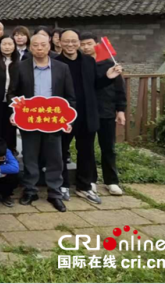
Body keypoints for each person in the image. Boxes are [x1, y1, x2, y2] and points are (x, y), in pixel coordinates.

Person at [8, 33, 76, 212]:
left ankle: (55, 192)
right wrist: (15, 111)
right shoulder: (20, 67)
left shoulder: (62, 68)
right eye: (35, 45)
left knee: (55, 157)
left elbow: (70, 97)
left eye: (43, 45)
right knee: (30, 156)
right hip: (30, 120)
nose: (39, 48)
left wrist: (68, 119)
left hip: (53, 120)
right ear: (30, 47)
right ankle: (30, 190)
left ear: (49, 46)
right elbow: (12, 93)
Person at [55, 29, 123, 205]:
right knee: (61, 150)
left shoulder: (88, 61)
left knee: (86, 151)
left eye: (74, 41)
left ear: (78, 42)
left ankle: (84, 186)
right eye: (66, 41)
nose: (70, 44)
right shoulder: (55, 62)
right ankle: (62, 185)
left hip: (86, 113)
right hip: (63, 115)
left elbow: (95, 84)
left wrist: (108, 77)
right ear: (59, 43)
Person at [80, 33, 127, 196]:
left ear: (96, 44)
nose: (86, 47)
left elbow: (120, 89)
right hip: (87, 112)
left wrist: (121, 110)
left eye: (89, 43)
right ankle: (90, 179)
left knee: (108, 147)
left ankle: (111, 181)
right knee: (87, 148)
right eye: (82, 44)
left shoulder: (109, 64)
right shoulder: (81, 64)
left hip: (106, 111)